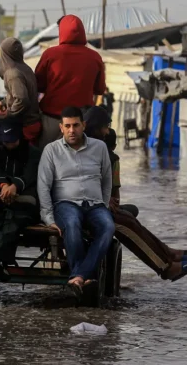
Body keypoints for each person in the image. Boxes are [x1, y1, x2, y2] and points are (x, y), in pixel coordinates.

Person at [83, 106, 187, 281]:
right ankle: (165, 267)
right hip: (84, 208)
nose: (107, 132)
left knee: (129, 219)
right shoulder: (84, 149)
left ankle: (168, 254)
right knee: (125, 224)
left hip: (93, 205)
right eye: (105, 127)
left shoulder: (94, 148)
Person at [37, 106, 114, 299]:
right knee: (72, 224)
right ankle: (83, 275)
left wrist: (104, 204)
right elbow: (43, 186)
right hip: (66, 204)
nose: (72, 130)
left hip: (95, 204)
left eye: (76, 125)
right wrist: (48, 218)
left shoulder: (99, 147)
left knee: (108, 227)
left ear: (83, 125)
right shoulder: (51, 150)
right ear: (61, 127)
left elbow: (107, 180)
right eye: (68, 126)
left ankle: (78, 276)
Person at [0, 117, 42, 281]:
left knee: (12, 225)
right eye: (6, 141)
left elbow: (30, 175)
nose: (9, 144)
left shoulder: (34, 153)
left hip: (24, 203)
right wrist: (4, 186)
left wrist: (15, 187)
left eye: (12, 141)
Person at [35, 15, 106, 147]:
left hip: (52, 120)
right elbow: (100, 89)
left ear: (62, 31)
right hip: (81, 123)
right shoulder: (95, 57)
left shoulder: (50, 54)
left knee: (46, 157)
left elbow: (38, 85)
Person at [0, 37, 42, 145]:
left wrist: (9, 114)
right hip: (33, 122)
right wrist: (4, 102)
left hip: (24, 124)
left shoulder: (12, 73)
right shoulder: (25, 68)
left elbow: (22, 99)